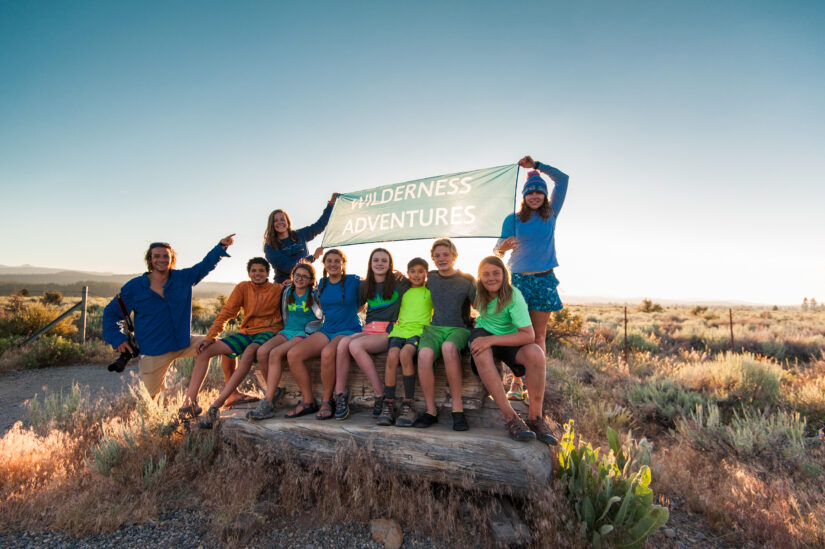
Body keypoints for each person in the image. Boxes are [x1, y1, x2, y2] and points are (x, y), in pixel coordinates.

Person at [102, 235, 234, 399]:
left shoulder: (182, 278)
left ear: (172, 259)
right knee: (150, 402)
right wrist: (118, 338)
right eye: (157, 256)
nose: (162, 259)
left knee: (229, 347)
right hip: (153, 351)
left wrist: (221, 247)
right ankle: (153, 421)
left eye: (166, 256)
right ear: (150, 260)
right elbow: (111, 313)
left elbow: (204, 266)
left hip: (183, 342)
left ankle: (232, 394)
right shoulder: (134, 287)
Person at [495, 155, 569, 404]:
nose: (535, 196)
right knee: (516, 333)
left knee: (538, 337)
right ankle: (516, 382)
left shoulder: (551, 214)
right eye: (531, 193)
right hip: (517, 283)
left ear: (544, 196)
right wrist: (502, 247)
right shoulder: (512, 220)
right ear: (524, 196)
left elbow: (563, 179)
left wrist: (537, 166)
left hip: (544, 280)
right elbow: (497, 250)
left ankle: (535, 388)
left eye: (539, 192)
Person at [177, 257, 284, 426]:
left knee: (249, 352)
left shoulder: (277, 289)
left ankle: (220, 402)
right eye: (253, 270)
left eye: (261, 270)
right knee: (205, 350)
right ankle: (190, 403)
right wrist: (210, 337)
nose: (257, 274)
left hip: (268, 332)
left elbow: (299, 287)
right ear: (249, 273)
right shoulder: (243, 287)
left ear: (267, 273)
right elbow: (227, 312)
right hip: (247, 331)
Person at [468, 256, 557, 444]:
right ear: (480, 277)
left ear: (504, 275)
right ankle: (511, 417)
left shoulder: (513, 295)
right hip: (483, 331)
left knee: (535, 353)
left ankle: (535, 418)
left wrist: (491, 340)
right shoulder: (478, 291)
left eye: (496, 273)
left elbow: (528, 335)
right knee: (480, 350)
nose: (491, 278)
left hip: (507, 337)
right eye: (486, 274)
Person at [283, 249, 362, 420]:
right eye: (329, 261)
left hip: (348, 329)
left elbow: (372, 289)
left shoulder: (353, 280)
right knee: (294, 354)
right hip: (328, 328)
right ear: (324, 264)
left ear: (343, 263)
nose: (333, 264)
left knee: (327, 353)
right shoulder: (322, 282)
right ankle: (308, 401)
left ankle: (328, 400)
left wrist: (398, 276)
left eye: (337, 261)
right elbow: (303, 288)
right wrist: (285, 284)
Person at [333, 248, 409, 420]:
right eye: (376, 260)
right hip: (368, 329)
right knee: (343, 344)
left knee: (355, 345)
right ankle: (340, 394)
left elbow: (419, 286)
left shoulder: (399, 282)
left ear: (390, 264)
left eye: (384, 260)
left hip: (389, 331)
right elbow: (355, 304)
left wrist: (405, 275)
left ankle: (379, 392)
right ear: (370, 263)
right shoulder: (364, 285)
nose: (380, 263)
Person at [414, 238, 476, 431]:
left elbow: (481, 306)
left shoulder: (467, 280)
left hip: (459, 329)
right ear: (432, 259)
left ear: (454, 256)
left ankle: (457, 410)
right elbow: (413, 280)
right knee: (423, 354)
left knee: (448, 348)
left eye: (445, 255)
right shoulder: (431, 278)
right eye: (437, 255)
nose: (441, 258)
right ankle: (430, 411)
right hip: (435, 328)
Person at [247, 262, 322, 420]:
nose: (300, 279)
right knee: (261, 352)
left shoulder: (314, 294)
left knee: (275, 353)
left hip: (304, 332)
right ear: (292, 276)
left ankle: (267, 402)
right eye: (297, 275)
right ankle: (273, 392)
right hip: (287, 330)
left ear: (310, 280)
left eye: (304, 276)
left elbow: (323, 313)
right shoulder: (287, 291)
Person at [377, 257, 432, 427]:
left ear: (426, 274)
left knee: (406, 354)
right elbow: (388, 280)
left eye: (421, 271)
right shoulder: (404, 290)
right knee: (393, 354)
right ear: (408, 273)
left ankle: (408, 403)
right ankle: (389, 403)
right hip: (400, 330)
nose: (416, 275)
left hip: (419, 331)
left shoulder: (429, 291)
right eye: (413, 271)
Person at [264, 193, 340, 283]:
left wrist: (330, 205)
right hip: (285, 285)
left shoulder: (300, 234)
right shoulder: (270, 246)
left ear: (287, 222)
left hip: (307, 281)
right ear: (271, 224)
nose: (280, 222)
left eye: (282, 219)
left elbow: (319, 225)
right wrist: (313, 257)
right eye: (275, 220)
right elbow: (289, 267)